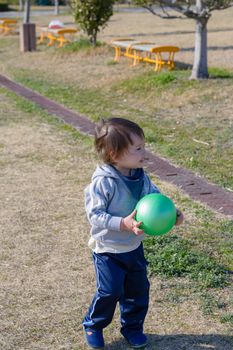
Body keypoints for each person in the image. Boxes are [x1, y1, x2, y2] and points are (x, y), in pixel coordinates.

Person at [83, 117, 184, 349]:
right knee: (110, 291)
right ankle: (93, 324)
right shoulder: (103, 182)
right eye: (137, 149)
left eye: (143, 146)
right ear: (113, 153)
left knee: (138, 291)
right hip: (108, 249)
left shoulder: (141, 177)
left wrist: (173, 214)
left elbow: (156, 200)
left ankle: (132, 328)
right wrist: (123, 223)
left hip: (133, 247)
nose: (144, 153)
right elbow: (95, 215)